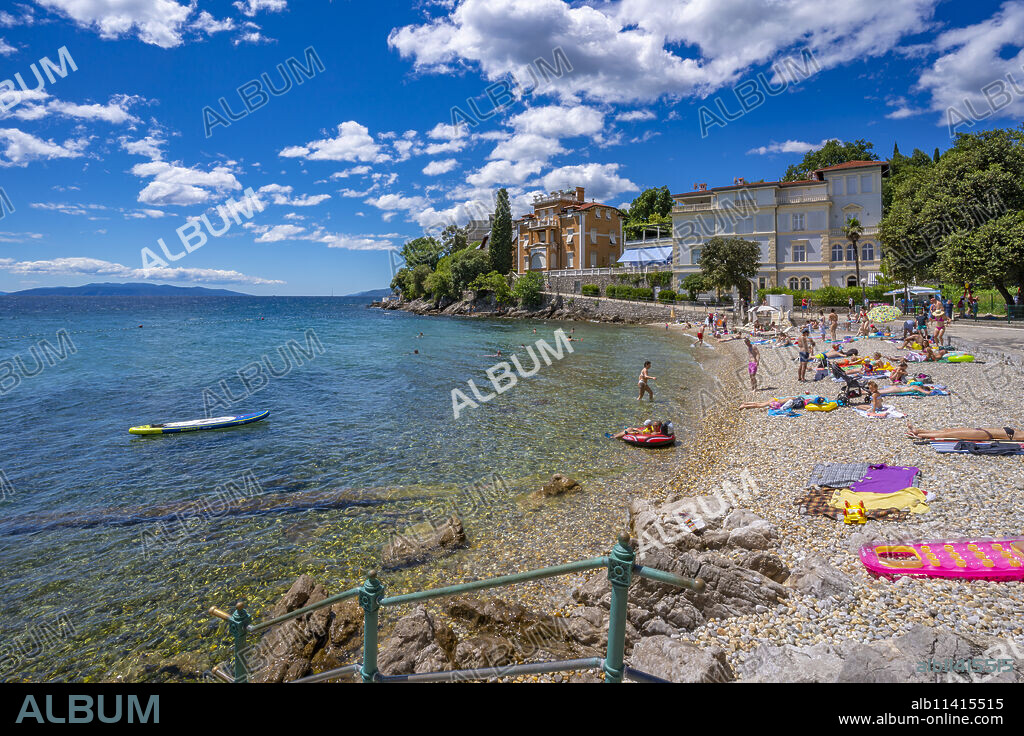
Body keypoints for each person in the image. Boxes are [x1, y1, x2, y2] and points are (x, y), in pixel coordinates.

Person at [906, 424, 1017, 441]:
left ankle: (920, 435)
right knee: (948, 431)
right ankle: (919, 430)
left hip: (987, 435)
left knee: (948, 434)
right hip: (984, 431)